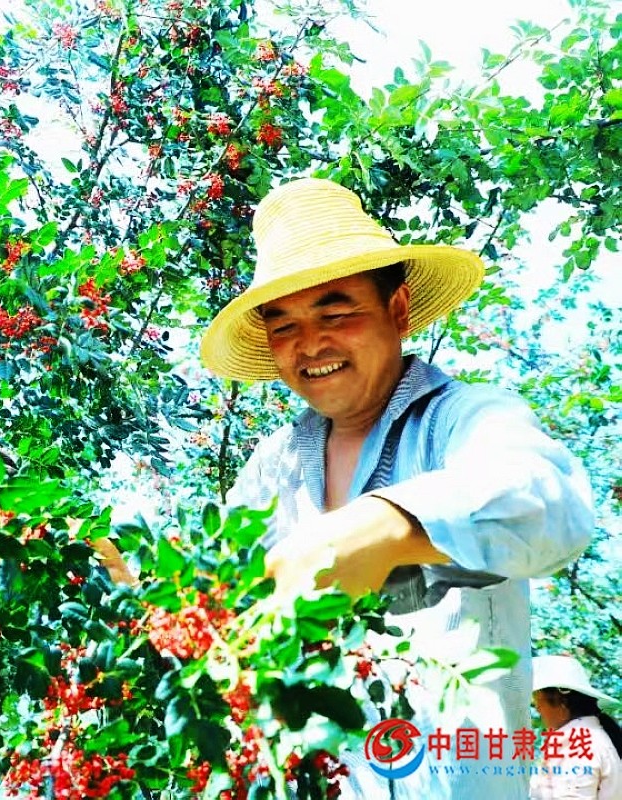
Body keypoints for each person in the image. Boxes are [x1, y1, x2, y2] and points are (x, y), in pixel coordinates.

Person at [199, 177, 595, 799]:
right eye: (284, 326)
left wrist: (386, 526)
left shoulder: (464, 420)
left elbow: (548, 500)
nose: (311, 344)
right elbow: (217, 607)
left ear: (399, 309)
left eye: (336, 312)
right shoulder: (273, 468)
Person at [531, 654, 622, 799]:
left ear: (562, 702)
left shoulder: (576, 744)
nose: (537, 708)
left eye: (537, 700)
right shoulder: (594, 737)